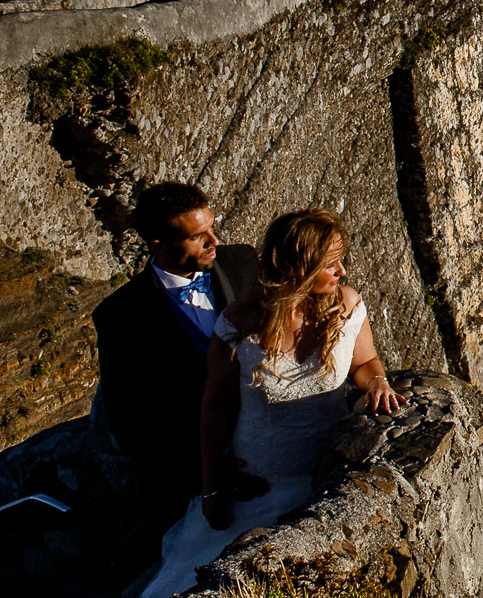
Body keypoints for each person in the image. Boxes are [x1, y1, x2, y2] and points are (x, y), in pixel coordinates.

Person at [137, 209, 405, 598]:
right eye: (330, 265)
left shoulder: (345, 305)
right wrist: (211, 488)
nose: (343, 272)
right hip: (256, 485)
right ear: (299, 267)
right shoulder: (238, 327)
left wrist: (377, 383)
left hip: (326, 473)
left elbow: (365, 361)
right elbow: (215, 410)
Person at [92, 183, 259, 536]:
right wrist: (207, 471)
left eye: (212, 227)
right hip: (195, 478)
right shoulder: (120, 315)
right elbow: (131, 421)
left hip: (268, 436)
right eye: (198, 237)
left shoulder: (242, 262)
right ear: (159, 245)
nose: (214, 241)